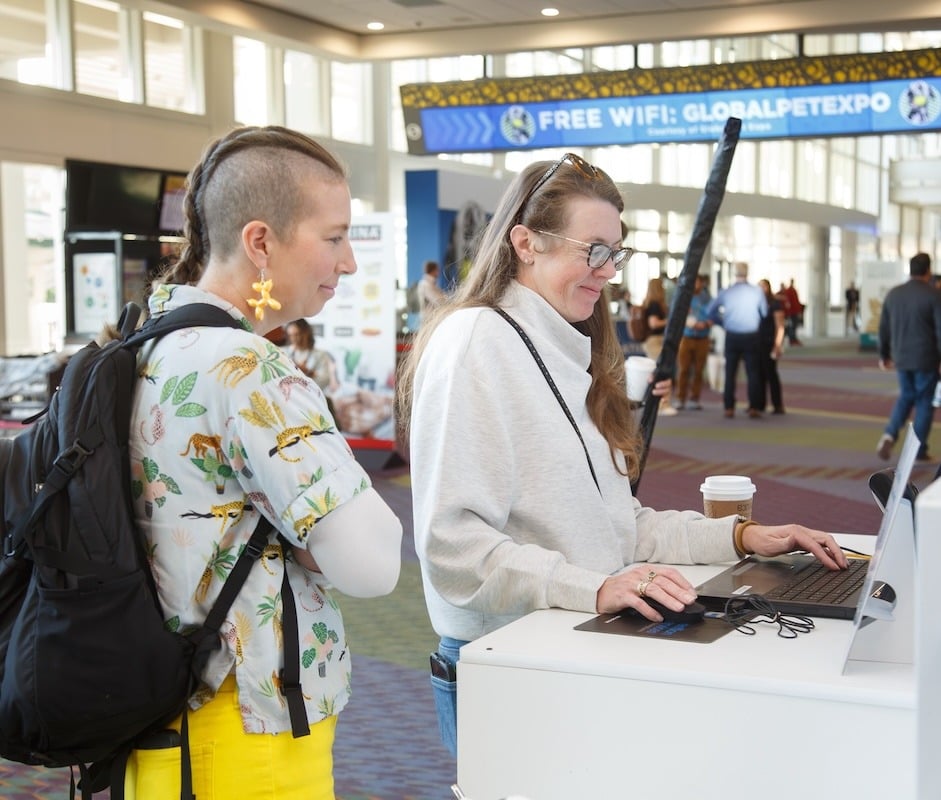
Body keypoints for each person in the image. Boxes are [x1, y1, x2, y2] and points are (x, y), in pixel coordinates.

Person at [394, 151, 848, 758]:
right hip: (511, 662)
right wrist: (594, 587)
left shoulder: (563, 347)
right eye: (594, 250)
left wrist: (741, 539)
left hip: (572, 644)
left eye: (617, 252)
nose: (609, 271)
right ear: (525, 242)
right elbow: (452, 548)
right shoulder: (476, 343)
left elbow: (616, 530)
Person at [126, 125, 403, 799]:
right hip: (244, 730)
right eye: (334, 238)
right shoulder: (248, 369)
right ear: (260, 242)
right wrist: (301, 538)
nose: (348, 265)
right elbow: (372, 565)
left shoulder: (140, 346)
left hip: (152, 716)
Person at [876, 252, 941, 462]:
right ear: (928, 271)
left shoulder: (894, 294)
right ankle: (918, 451)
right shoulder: (933, 295)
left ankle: (889, 434)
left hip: (901, 357)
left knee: (906, 396)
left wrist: (883, 354)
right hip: (927, 358)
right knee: (923, 402)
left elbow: (883, 328)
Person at [707, 262, 768, 418]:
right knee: (753, 372)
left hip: (732, 335)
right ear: (747, 273)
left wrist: (723, 322)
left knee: (730, 372)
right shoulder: (757, 292)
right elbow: (765, 313)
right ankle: (754, 406)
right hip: (751, 336)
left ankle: (729, 407)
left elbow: (710, 311)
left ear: (734, 273)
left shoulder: (727, 292)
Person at [673, 272, 712, 410]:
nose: (696, 284)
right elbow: (676, 315)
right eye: (694, 281)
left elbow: (713, 315)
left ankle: (694, 398)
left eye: (698, 282)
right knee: (683, 369)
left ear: (702, 283)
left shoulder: (707, 298)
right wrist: (691, 323)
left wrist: (706, 324)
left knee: (698, 370)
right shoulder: (684, 297)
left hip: (702, 338)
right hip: (686, 337)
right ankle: (680, 397)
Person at [641, 276, 677, 416]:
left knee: (659, 371)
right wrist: (669, 321)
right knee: (662, 371)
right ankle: (662, 404)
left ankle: (661, 403)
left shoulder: (649, 303)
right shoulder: (655, 305)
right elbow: (654, 323)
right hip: (655, 341)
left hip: (652, 340)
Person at [284, 317, 340, 394]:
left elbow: (325, 379)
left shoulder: (320, 354)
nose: (294, 339)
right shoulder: (282, 352)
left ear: (307, 333)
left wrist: (308, 372)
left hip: (312, 396)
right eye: (291, 335)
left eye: (297, 334)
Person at [757, 278, 786, 414]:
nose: (761, 290)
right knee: (758, 374)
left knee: (771, 374)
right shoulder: (756, 304)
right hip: (757, 343)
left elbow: (780, 326)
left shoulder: (775, 304)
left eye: (764, 287)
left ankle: (777, 404)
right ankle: (759, 404)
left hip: (770, 343)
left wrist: (777, 344)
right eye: (759, 287)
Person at [781, 278, 803, 345]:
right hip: (790, 312)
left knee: (794, 326)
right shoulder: (789, 291)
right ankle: (792, 339)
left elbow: (796, 301)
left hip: (794, 311)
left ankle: (793, 338)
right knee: (791, 326)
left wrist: (799, 311)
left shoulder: (794, 290)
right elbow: (788, 302)